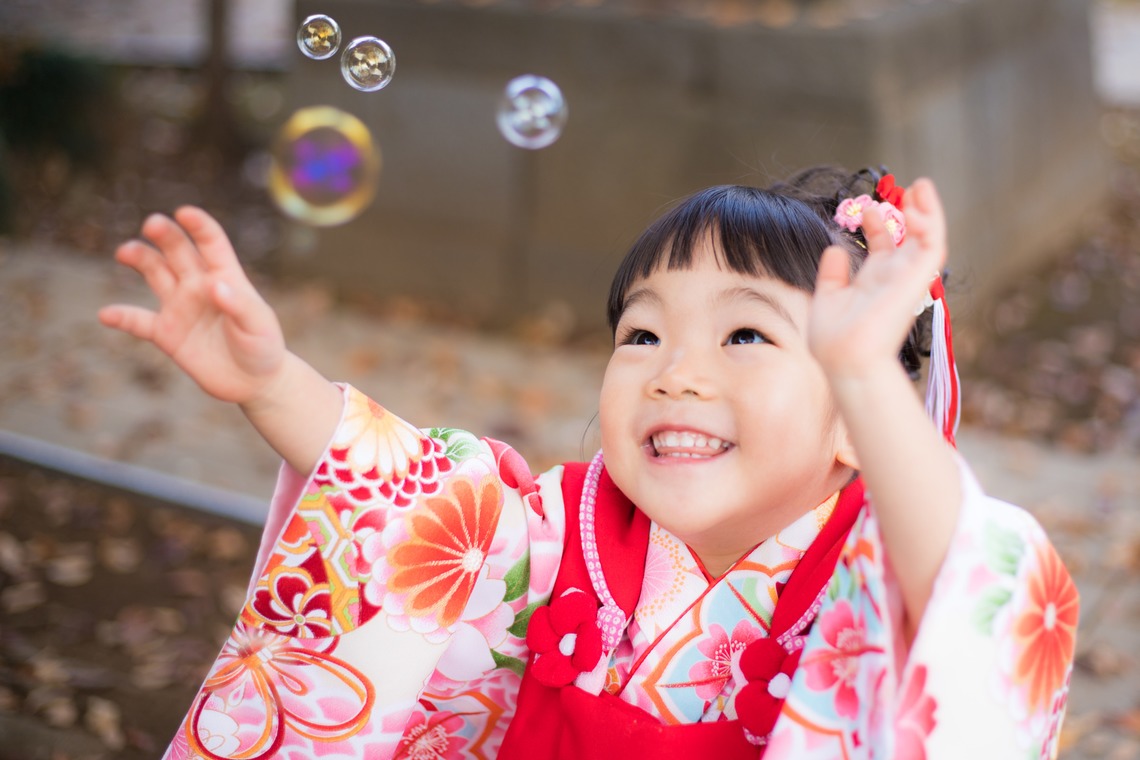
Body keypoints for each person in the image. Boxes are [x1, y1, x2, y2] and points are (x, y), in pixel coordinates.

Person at [99, 165, 1078, 759]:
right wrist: (271, 382)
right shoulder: (568, 535)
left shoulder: (871, 577)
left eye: (745, 336)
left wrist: (864, 373)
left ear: (856, 424)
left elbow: (962, 588)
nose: (676, 373)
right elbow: (418, 498)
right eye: (642, 335)